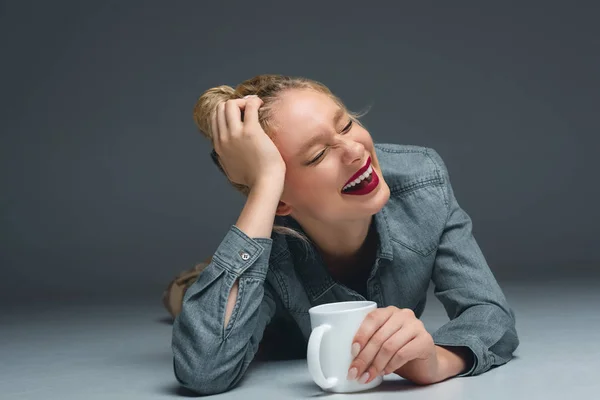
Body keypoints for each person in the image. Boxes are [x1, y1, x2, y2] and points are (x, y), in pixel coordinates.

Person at [171, 74, 519, 395]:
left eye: (346, 124)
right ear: (279, 198)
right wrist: (265, 186)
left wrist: (436, 362)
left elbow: (490, 314)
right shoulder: (271, 246)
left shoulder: (421, 183)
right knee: (191, 292)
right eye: (318, 154)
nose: (355, 150)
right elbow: (203, 367)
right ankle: (191, 282)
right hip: (265, 324)